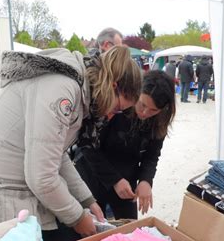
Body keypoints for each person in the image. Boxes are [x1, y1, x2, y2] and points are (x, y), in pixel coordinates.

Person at [0, 46, 142, 241]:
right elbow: (42, 176)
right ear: (112, 86)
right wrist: (77, 217)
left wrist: (87, 200)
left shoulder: (75, 86)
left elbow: (57, 153)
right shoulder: (62, 89)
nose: (110, 116)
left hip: (9, 191)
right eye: (116, 108)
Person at [74, 71, 176, 219]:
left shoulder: (159, 120)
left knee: (129, 230)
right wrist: (115, 180)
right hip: (93, 175)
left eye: (153, 110)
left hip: (127, 182)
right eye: (142, 105)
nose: (145, 113)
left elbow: (152, 155)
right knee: (92, 230)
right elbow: (88, 147)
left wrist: (145, 180)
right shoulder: (117, 104)